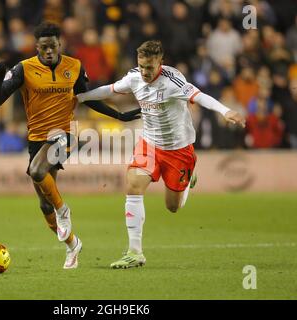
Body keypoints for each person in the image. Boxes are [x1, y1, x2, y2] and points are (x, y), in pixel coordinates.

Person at [76, 40, 245, 269]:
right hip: (149, 144)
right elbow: (111, 89)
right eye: (142, 66)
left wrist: (226, 111)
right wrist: (81, 98)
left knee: (172, 207)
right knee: (133, 185)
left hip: (178, 150)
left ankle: (187, 181)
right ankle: (135, 252)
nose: (145, 72)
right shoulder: (134, 77)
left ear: (160, 63)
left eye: (150, 67)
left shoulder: (174, 81)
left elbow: (200, 96)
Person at [0, 22, 140, 269]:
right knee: (44, 204)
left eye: (52, 46)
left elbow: (86, 98)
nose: (48, 51)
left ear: (60, 44)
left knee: (37, 171)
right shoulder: (24, 69)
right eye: (43, 47)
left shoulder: (74, 66)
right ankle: (72, 245)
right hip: (36, 138)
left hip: (64, 134)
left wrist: (118, 116)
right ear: (36, 47)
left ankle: (64, 211)